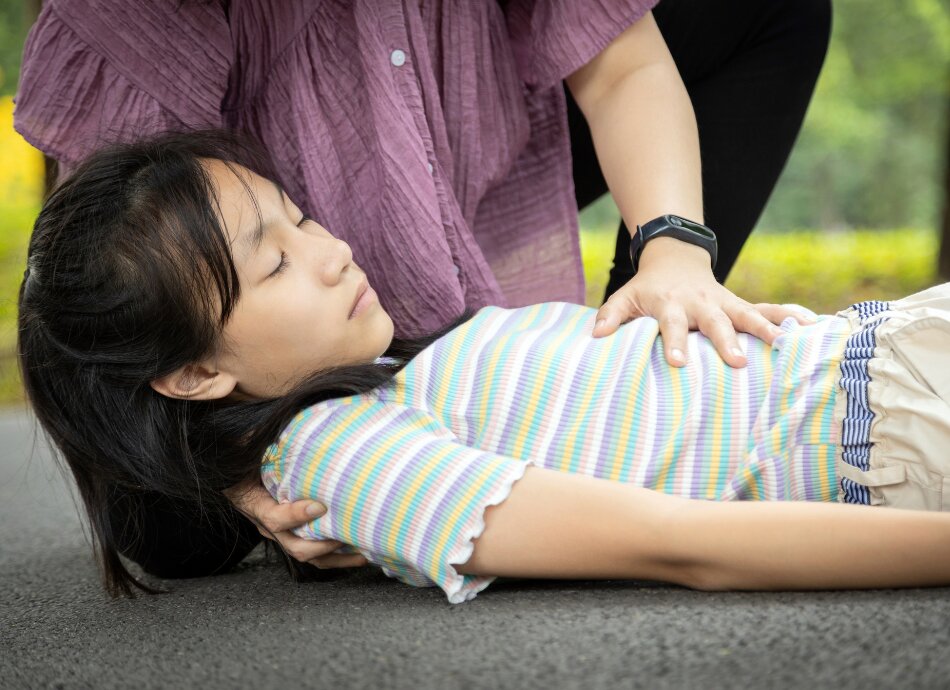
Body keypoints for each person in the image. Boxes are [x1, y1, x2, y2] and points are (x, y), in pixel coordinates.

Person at [14, 0, 832, 576]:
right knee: (170, 537)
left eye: (307, 227)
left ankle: (623, 373)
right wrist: (240, 475)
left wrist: (673, 254)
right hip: (247, 323)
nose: (327, 249)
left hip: (463, 142)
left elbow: (624, 69)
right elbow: (105, 281)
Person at [19, 132, 950, 602]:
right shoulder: (332, 461)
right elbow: (680, 544)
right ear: (189, 375)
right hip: (884, 428)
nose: (333, 249)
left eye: (300, 219)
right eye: (275, 263)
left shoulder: (376, 374)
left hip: (883, 348)